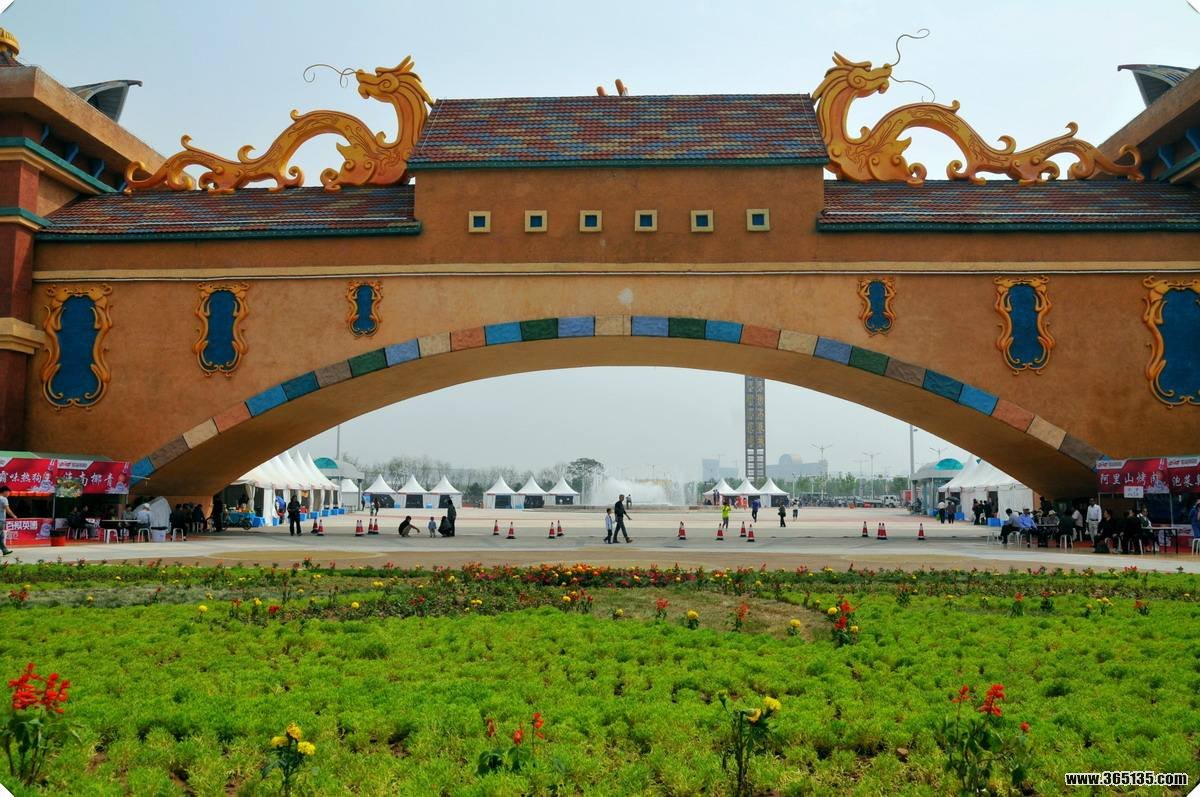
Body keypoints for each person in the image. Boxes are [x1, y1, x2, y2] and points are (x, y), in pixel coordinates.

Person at [0, 485, 15, 555]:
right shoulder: (3, 499)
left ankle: (4, 550)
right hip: (1, 520)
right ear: (5, 492)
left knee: (1, 536)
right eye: (8, 492)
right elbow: (8, 510)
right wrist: (14, 516)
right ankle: (4, 550)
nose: (9, 494)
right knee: (1, 535)